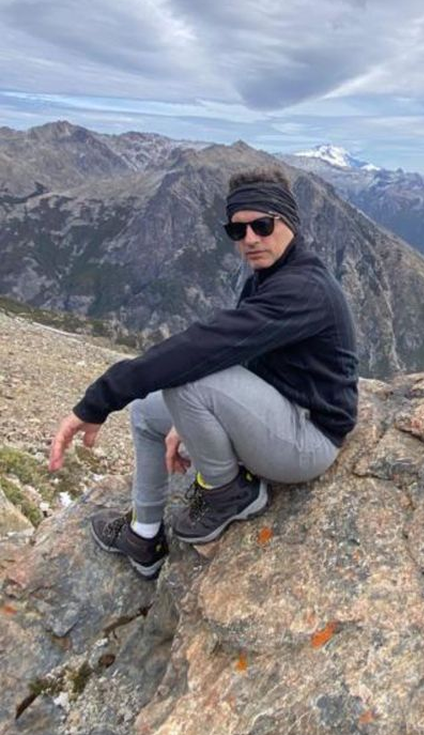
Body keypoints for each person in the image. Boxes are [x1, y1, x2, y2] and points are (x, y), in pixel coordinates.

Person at [48, 165, 358, 578]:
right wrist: (193, 423)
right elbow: (241, 353)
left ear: (289, 222)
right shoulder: (270, 276)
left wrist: (100, 399)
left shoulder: (303, 289)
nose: (250, 239)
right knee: (145, 412)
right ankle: (144, 535)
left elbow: (204, 348)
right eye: (237, 230)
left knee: (186, 377)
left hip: (308, 440)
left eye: (262, 226)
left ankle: (228, 492)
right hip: (278, 413)